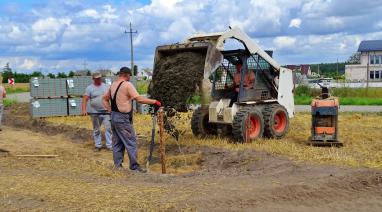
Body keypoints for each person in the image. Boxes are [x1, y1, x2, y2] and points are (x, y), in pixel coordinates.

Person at [103, 67, 161, 173]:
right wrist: (154, 102)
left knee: (117, 143)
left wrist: (110, 110)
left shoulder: (113, 85)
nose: (130, 78)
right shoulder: (127, 85)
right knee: (131, 142)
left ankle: (118, 166)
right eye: (130, 76)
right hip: (123, 119)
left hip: (114, 117)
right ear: (126, 75)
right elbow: (138, 99)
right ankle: (134, 167)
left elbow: (105, 99)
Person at [82, 72, 112, 152]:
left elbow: (111, 97)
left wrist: (112, 109)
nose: (99, 79)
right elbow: (85, 99)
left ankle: (110, 145)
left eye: (100, 78)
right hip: (94, 112)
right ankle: (98, 145)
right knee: (96, 129)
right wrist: (84, 110)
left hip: (106, 112)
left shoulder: (106, 86)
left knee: (108, 129)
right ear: (93, 79)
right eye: (97, 78)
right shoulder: (89, 88)